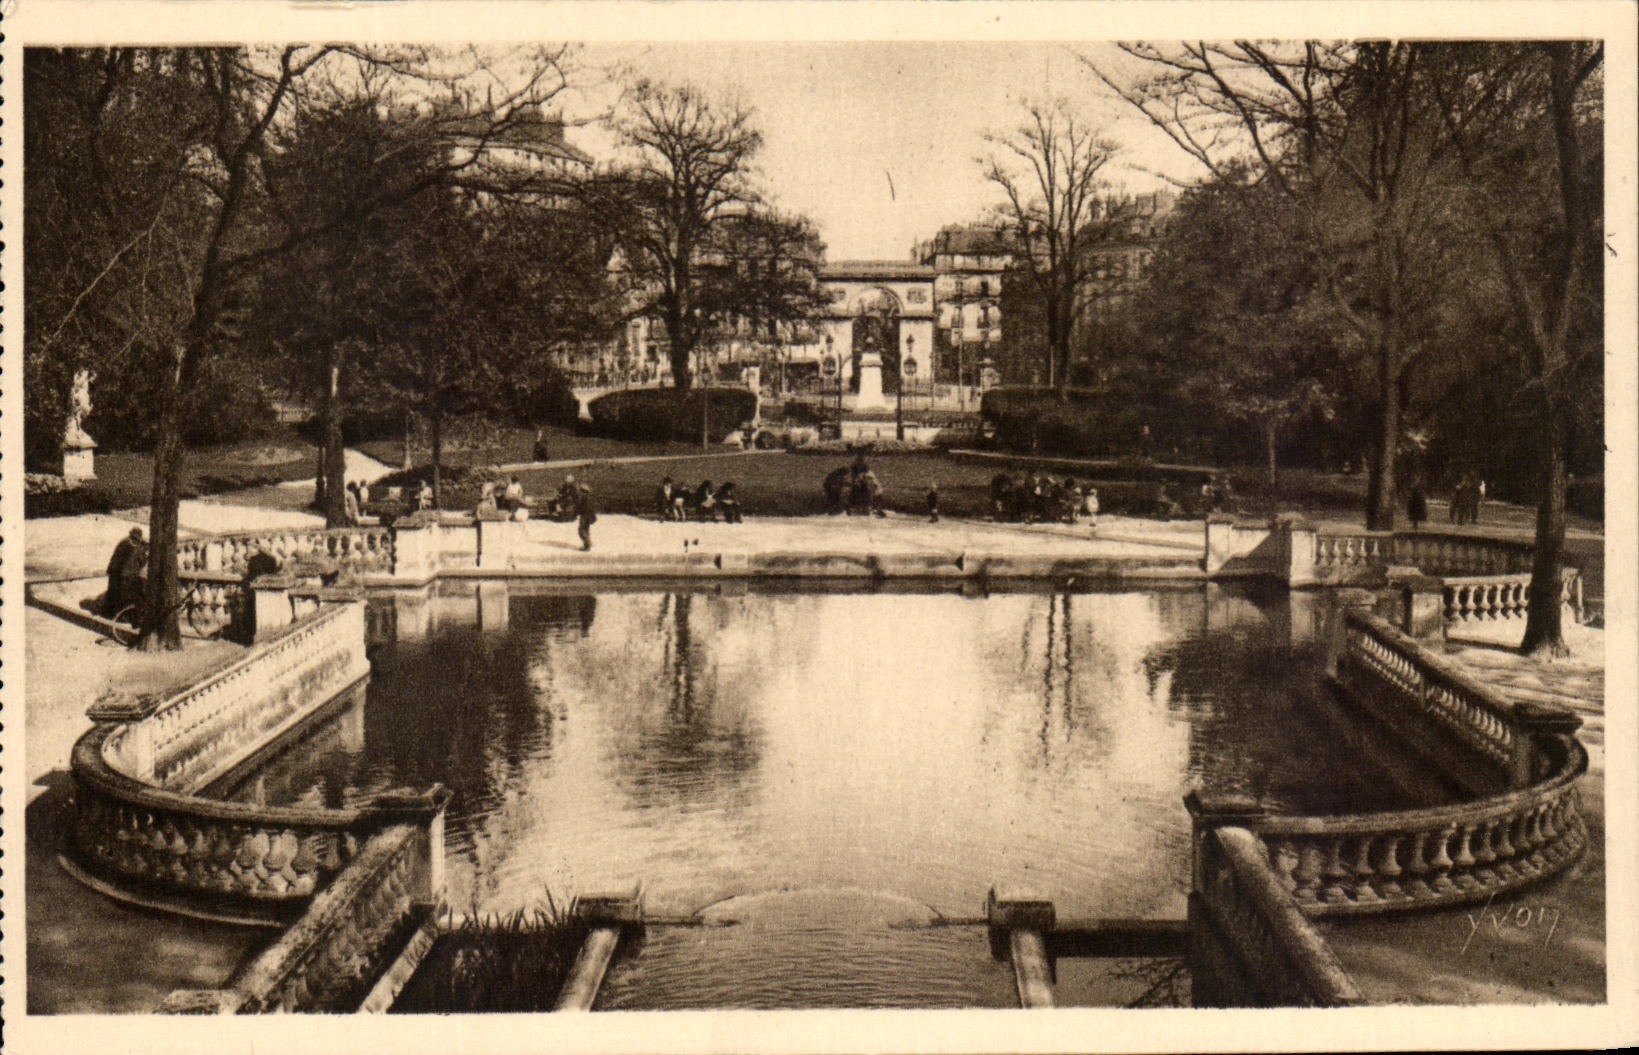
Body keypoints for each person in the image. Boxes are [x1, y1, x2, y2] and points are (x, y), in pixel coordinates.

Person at [105, 527, 145, 617]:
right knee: (114, 594)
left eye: (137, 539)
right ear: (131, 536)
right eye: (134, 538)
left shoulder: (138, 548)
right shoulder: (124, 544)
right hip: (117, 574)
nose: (135, 541)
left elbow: (141, 561)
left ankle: (120, 614)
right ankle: (110, 614)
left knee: (124, 596)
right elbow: (116, 560)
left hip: (127, 576)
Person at [575, 483, 597, 551]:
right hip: (587, 516)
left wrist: (578, 511)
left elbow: (585, 508)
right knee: (586, 530)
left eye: (581, 491)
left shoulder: (585, 498)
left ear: (584, 491)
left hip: (585, 516)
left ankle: (587, 546)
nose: (580, 492)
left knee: (581, 531)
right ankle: (588, 543)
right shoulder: (588, 498)